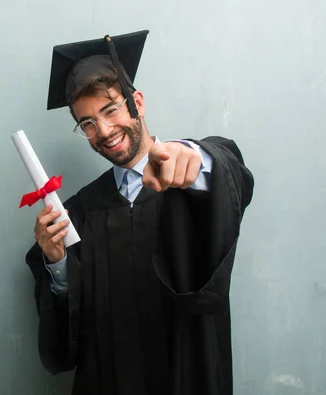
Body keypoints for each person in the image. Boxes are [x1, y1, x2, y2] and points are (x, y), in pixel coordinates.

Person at [24, 30, 254, 395]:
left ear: (138, 103)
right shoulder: (80, 211)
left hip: (186, 377)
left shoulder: (188, 174)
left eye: (111, 110)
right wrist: (59, 265)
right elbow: (67, 341)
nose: (104, 130)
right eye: (87, 123)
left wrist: (195, 157)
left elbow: (230, 173)